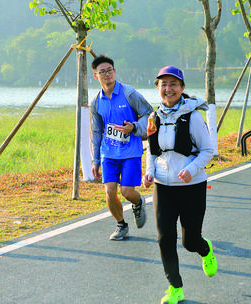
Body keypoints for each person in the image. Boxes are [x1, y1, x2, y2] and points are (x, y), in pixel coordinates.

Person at [143, 66, 217, 304]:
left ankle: (205, 250)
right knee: (165, 238)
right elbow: (152, 152)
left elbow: (208, 150)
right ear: (158, 88)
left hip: (191, 186)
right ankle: (175, 287)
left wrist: (191, 169)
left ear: (182, 88)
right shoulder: (154, 118)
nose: (168, 89)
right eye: (163, 84)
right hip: (162, 186)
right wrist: (148, 172)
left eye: (173, 84)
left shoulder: (192, 116)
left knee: (189, 241)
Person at [90, 55, 153, 240]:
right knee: (109, 191)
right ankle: (121, 225)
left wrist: (134, 127)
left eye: (110, 70)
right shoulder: (95, 101)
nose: (107, 74)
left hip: (130, 152)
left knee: (126, 192)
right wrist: (95, 160)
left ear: (115, 71)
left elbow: (149, 114)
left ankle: (138, 201)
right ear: (96, 76)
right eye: (102, 72)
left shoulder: (129, 93)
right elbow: (96, 131)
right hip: (108, 153)